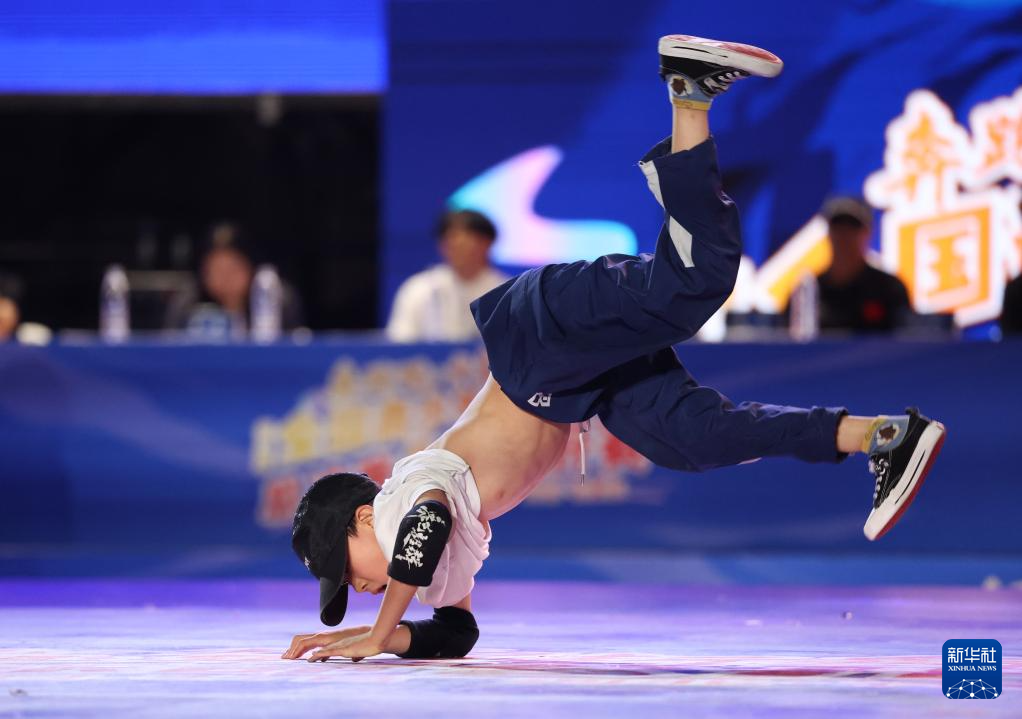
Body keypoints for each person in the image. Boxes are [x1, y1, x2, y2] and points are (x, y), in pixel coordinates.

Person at [282, 35, 947, 664]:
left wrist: (378, 631)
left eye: (345, 570)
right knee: (694, 439)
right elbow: (458, 633)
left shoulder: (402, 499)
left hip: (543, 339)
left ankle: (689, 93)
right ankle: (883, 436)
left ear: (363, 517)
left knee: (692, 282)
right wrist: (392, 638)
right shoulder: (431, 562)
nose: (358, 590)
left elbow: (423, 525)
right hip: (578, 380)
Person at [385, 210, 509, 342]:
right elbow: (399, 342)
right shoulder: (418, 289)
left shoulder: (506, 292)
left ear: (487, 243)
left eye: (466, 240)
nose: (457, 246)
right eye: (450, 240)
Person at [164, 223, 304, 338]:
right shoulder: (187, 305)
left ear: (250, 267)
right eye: (217, 270)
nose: (226, 279)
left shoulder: (274, 299)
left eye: (233, 269)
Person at [814, 196, 912, 333]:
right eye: (838, 227)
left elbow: (907, 339)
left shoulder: (889, 289)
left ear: (868, 232)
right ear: (829, 233)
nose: (844, 235)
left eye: (852, 227)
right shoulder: (809, 291)